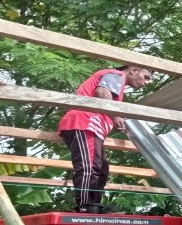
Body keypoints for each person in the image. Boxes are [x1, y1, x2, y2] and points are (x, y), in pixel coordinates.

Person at [57, 65, 152, 213]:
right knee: (89, 166)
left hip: (93, 128)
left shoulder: (118, 86)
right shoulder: (116, 75)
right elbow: (101, 92)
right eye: (146, 77)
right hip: (85, 123)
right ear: (134, 70)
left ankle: (94, 206)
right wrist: (116, 115)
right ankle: (85, 207)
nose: (146, 83)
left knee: (101, 170)